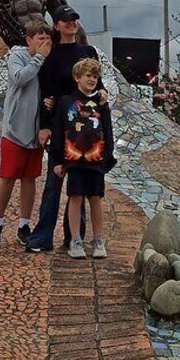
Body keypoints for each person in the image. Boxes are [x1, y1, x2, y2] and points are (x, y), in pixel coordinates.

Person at [26, 4, 107, 253]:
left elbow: (97, 83)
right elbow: (45, 92)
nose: (72, 23)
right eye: (66, 20)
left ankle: (75, 237)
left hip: (85, 130)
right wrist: (44, 125)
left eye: (74, 19)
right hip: (60, 126)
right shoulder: (52, 54)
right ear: (57, 25)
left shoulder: (87, 50)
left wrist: (102, 93)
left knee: (80, 187)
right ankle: (42, 236)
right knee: (54, 182)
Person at [0, 21, 53, 247]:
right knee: (7, 177)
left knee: (30, 178)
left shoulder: (48, 62)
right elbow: (19, 78)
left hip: (36, 134)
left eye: (47, 39)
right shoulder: (17, 57)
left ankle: (24, 224)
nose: (44, 43)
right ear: (29, 40)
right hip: (15, 131)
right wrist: (39, 58)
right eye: (40, 38)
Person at [51, 58, 116, 259]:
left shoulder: (101, 104)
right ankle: (75, 239)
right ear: (77, 77)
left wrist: (107, 158)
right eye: (88, 75)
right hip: (74, 158)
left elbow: (108, 131)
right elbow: (59, 132)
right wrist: (56, 160)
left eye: (95, 76)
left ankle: (98, 239)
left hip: (95, 158)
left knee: (96, 198)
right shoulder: (66, 102)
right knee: (76, 197)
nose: (92, 79)